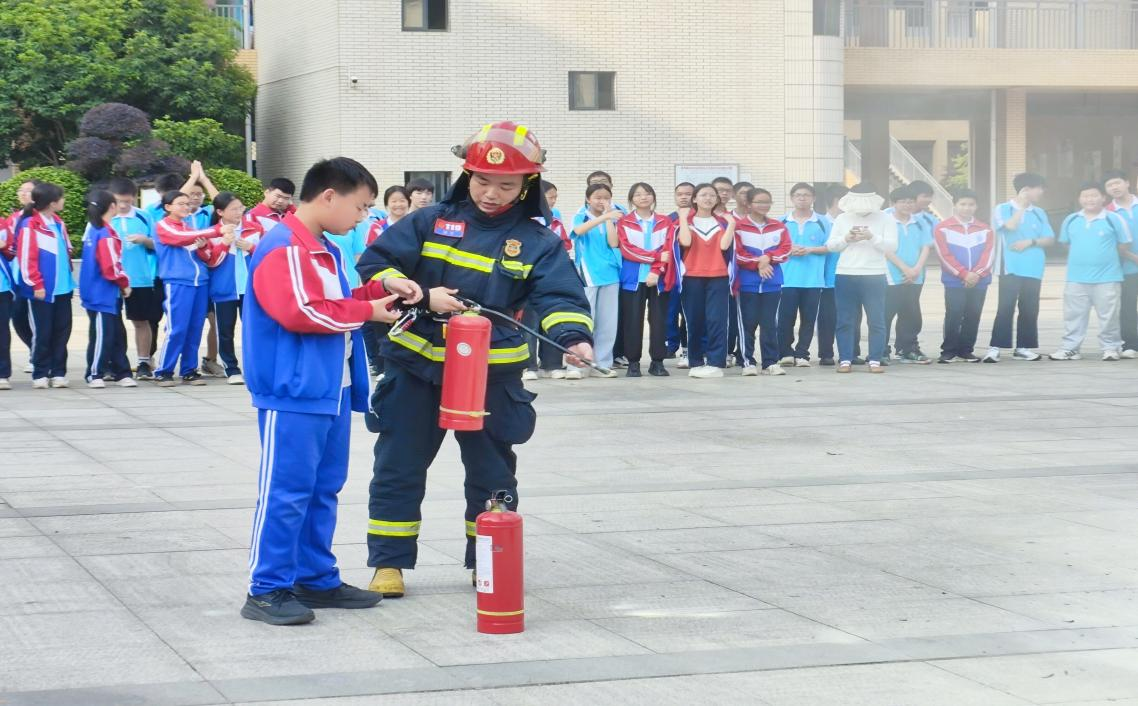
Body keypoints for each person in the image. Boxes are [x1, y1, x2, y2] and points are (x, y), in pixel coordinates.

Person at [356, 121, 594, 598]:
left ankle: (484, 559)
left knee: (491, 475)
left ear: (527, 185)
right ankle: (389, 564)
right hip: (416, 364)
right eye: (482, 181)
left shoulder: (538, 241)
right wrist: (421, 294)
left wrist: (573, 338)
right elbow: (375, 266)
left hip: (491, 374)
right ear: (466, 175)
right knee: (398, 466)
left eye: (506, 185)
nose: (491, 193)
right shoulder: (429, 221)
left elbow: (559, 295)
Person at [241, 157, 402, 626]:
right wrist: (369, 312)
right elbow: (302, 313)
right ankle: (267, 588)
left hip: (329, 389)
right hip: (293, 391)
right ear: (329, 196)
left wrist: (380, 290)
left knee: (322, 488)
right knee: (286, 491)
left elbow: (338, 302)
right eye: (361, 206)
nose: (363, 217)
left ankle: (314, 576)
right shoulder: (283, 246)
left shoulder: (323, 248)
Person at [1050, 182, 1131, 361]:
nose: (1089, 199)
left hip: (1108, 277)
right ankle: (1070, 348)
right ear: (1079, 199)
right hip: (1076, 278)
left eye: (1094, 195)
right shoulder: (1071, 219)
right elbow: (1065, 243)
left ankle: (1110, 348)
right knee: (1073, 316)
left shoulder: (1113, 219)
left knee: (1109, 316)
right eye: (1085, 196)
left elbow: (1124, 243)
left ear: (1103, 198)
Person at [983, 173, 1054, 363]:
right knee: (1005, 307)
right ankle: (995, 347)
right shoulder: (1002, 208)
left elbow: (1049, 238)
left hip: (1034, 267)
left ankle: (1023, 347)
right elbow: (1011, 226)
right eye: (1039, 188)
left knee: (1030, 308)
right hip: (1011, 266)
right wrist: (1021, 207)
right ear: (1026, 189)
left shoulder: (1039, 212)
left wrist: (1030, 242)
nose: (1042, 192)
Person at [826, 183, 897, 374]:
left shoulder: (885, 218)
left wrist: (872, 237)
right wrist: (847, 239)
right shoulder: (842, 218)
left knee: (876, 319)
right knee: (845, 320)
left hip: (874, 274)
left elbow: (892, 247)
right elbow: (831, 245)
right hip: (846, 273)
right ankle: (845, 359)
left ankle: (875, 359)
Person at [152, 189, 217, 386]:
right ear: (168, 207)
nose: (186, 207)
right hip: (178, 282)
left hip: (200, 282)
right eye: (180, 203)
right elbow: (178, 238)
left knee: (195, 328)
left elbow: (205, 255)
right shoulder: (163, 226)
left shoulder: (190, 228)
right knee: (176, 328)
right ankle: (164, 370)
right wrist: (216, 230)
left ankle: (189, 370)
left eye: (187, 204)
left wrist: (204, 246)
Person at [16, 182, 76, 389]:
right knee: (43, 332)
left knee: (62, 331)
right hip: (42, 291)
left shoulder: (59, 223)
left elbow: (67, 252)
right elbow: (26, 260)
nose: (64, 201)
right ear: (52, 202)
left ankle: (59, 372)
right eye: (61, 198)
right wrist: (36, 284)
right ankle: (40, 372)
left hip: (63, 289)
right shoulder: (30, 226)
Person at [676, 183, 736, 378]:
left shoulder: (722, 222)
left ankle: (716, 362)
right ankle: (695, 361)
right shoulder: (686, 221)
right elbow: (685, 242)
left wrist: (732, 224)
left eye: (712, 195)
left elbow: (725, 245)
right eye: (703, 195)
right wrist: (684, 219)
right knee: (694, 320)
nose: (708, 198)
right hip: (691, 276)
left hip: (718, 276)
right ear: (694, 199)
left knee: (717, 320)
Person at [79, 190, 136, 389]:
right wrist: (124, 283)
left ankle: (122, 371)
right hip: (102, 293)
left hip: (98, 291)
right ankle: (94, 372)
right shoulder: (104, 233)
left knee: (114, 333)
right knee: (103, 335)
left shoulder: (95, 230)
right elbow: (110, 266)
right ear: (111, 206)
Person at [615, 182, 674, 377]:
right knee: (632, 321)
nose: (643, 197)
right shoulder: (624, 222)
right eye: (638, 194)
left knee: (659, 320)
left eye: (647, 193)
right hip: (632, 279)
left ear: (653, 197)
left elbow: (668, 249)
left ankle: (657, 361)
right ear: (632, 199)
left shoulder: (665, 221)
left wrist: (656, 270)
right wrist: (656, 259)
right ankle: (633, 362)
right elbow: (627, 250)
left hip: (659, 279)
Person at [733, 187, 791, 376]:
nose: (763, 205)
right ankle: (747, 362)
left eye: (767, 201)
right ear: (749, 204)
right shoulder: (739, 227)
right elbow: (737, 254)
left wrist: (768, 257)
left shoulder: (778, 226)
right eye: (759, 202)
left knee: (769, 324)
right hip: (747, 284)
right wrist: (759, 263)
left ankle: (770, 362)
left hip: (772, 284)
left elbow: (786, 250)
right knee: (747, 324)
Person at [108, 178, 162, 380]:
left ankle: (143, 362)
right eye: (119, 201)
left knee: (141, 320)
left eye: (127, 201)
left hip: (140, 278)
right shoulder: (105, 217)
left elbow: (159, 244)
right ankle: (115, 363)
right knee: (112, 322)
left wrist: (145, 240)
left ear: (134, 198)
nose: (123, 206)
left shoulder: (144, 216)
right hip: (112, 279)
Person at [207, 192, 263, 384]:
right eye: (234, 209)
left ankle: (255, 368)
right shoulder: (213, 232)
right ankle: (232, 369)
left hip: (251, 288)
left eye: (241, 208)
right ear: (220, 212)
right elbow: (211, 262)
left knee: (253, 328)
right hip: (224, 289)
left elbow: (268, 255)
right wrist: (223, 244)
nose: (240, 212)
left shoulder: (254, 229)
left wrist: (251, 247)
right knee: (225, 330)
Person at [933, 189, 995, 364]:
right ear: (955, 205)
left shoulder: (985, 229)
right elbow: (944, 255)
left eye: (971, 204)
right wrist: (963, 274)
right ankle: (949, 351)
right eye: (963, 204)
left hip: (979, 281)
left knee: (973, 314)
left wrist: (976, 274)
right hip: (954, 281)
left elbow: (988, 255)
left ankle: (966, 350)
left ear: (976, 206)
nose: (967, 208)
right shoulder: (943, 228)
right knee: (954, 313)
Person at [569, 182, 622, 378]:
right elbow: (579, 231)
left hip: (610, 272)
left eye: (606, 198)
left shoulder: (614, 217)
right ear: (588, 199)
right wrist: (605, 217)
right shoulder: (581, 215)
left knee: (608, 322)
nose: (602, 201)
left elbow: (613, 242)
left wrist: (608, 218)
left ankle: (602, 363)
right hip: (589, 273)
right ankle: (578, 365)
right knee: (586, 319)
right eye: (598, 197)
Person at [361, 186, 412, 377]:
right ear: (387, 204)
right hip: (383, 284)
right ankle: (380, 363)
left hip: (408, 284)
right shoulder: (377, 227)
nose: (398, 205)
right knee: (378, 325)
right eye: (394, 201)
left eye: (402, 201)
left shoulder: (415, 225)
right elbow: (369, 258)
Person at [523, 181, 572, 380]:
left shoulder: (556, 223)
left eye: (555, 197)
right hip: (529, 281)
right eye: (550, 196)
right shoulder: (525, 222)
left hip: (552, 280)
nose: (553, 201)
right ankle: (529, 366)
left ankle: (552, 363)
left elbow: (566, 246)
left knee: (552, 322)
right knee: (530, 324)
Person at [778, 183, 829, 367]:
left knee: (808, 320)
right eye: (798, 195)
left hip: (813, 280)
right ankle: (785, 352)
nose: (802, 198)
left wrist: (810, 249)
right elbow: (772, 247)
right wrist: (788, 249)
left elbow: (830, 247)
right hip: (786, 280)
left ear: (813, 198)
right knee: (785, 318)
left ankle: (802, 354)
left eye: (806, 195)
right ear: (791, 198)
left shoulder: (823, 222)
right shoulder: (781, 222)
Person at [883, 186, 934, 363]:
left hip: (915, 275)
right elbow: (884, 248)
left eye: (910, 201)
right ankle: (881, 350)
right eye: (903, 201)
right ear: (893, 203)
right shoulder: (885, 220)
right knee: (886, 313)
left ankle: (908, 349)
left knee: (911, 313)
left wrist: (916, 269)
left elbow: (926, 246)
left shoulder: (920, 222)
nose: (907, 205)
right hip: (890, 275)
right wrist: (905, 268)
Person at [1104, 170, 1138, 358]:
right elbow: (1111, 243)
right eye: (1109, 185)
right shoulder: (1108, 212)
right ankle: (1131, 344)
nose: (1114, 187)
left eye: (1117, 182)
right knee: (1127, 306)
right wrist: (1133, 257)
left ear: (1127, 183)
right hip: (1126, 268)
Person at [816, 184, 849, 366]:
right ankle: (826, 353)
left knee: (850, 317)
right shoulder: (822, 222)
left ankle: (851, 353)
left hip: (850, 276)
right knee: (827, 318)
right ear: (835, 201)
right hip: (827, 279)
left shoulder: (851, 222)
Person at [8, 179, 38, 358]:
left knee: (36, 318)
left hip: (36, 277)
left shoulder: (42, 219)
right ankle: (34, 350)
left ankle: (39, 355)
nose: (23, 193)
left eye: (28, 191)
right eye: (21, 190)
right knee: (18, 317)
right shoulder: (13, 219)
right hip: (16, 275)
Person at [666, 182, 695, 361]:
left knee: (689, 313)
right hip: (672, 273)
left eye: (688, 194)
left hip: (693, 273)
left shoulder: (700, 218)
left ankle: (688, 347)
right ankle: (671, 344)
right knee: (669, 312)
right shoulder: (668, 219)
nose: (684, 197)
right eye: (680, 194)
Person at [0, 209, 13, 389]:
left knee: (2, 330)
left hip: (2, 287)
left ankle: (2, 373)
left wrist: (5, 245)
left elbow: (12, 251)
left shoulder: (3, 224)